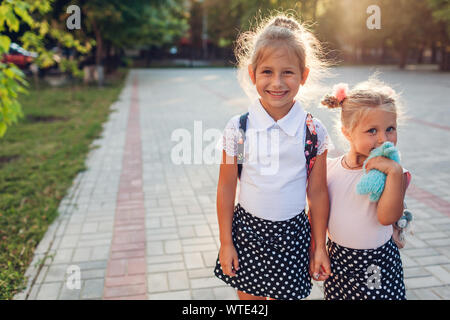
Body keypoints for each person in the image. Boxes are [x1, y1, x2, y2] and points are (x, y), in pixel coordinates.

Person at [213, 13, 332, 300]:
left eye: (287, 72)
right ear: (253, 74)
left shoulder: (313, 131)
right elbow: (227, 188)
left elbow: (317, 193)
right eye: (267, 72)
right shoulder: (239, 128)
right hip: (248, 235)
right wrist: (226, 242)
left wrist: (319, 247)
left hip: (293, 238)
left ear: (303, 75)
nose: (277, 82)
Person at [321, 78, 411, 300]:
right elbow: (317, 214)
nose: (383, 138)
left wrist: (393, 172)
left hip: (376, 263)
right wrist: (316, 250)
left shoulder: (395, 173)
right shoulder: (330, 169)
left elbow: (386, 216)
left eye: (390, 129)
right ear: (347, 133)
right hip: (339, 260)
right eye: (372, 131)